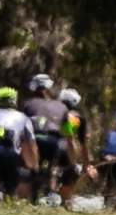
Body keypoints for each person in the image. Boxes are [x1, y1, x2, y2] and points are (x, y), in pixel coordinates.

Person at [19, 73, 77, 205]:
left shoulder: (27, 104)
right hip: (53, 140)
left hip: (33, 139)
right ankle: (50, 193)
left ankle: (26, 198)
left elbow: (22, 126)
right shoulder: (61, 107)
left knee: (28, 169)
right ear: (50, 89)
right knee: (53, 166)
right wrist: (72, 163)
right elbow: (69, 136)